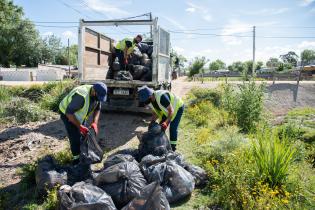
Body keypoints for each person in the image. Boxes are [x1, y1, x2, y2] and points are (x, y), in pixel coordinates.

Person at [59, 82, 107, 163]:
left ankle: (84, 153)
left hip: (77, 114)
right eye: (98, 97)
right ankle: (76, 159)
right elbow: (69, 113)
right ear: (94, 91)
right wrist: (80, 126)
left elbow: (97, 109)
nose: (99, 99)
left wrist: (94, 123)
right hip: (67, 113)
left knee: (84, 134)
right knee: (74, 136)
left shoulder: (97, 95)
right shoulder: (81, 97)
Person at [138, 86, 184, 151]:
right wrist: (152, 122)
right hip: (166, 112)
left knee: (173, 128)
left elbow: (171, 111)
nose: (145, 103)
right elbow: (155, 112)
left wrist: (166, 122)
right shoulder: (151, 101)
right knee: (159, 129)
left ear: (150, 95)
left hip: (178, 107)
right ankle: (158, 146)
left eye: (145, 100)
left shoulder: (162, 97)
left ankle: (173, 148)